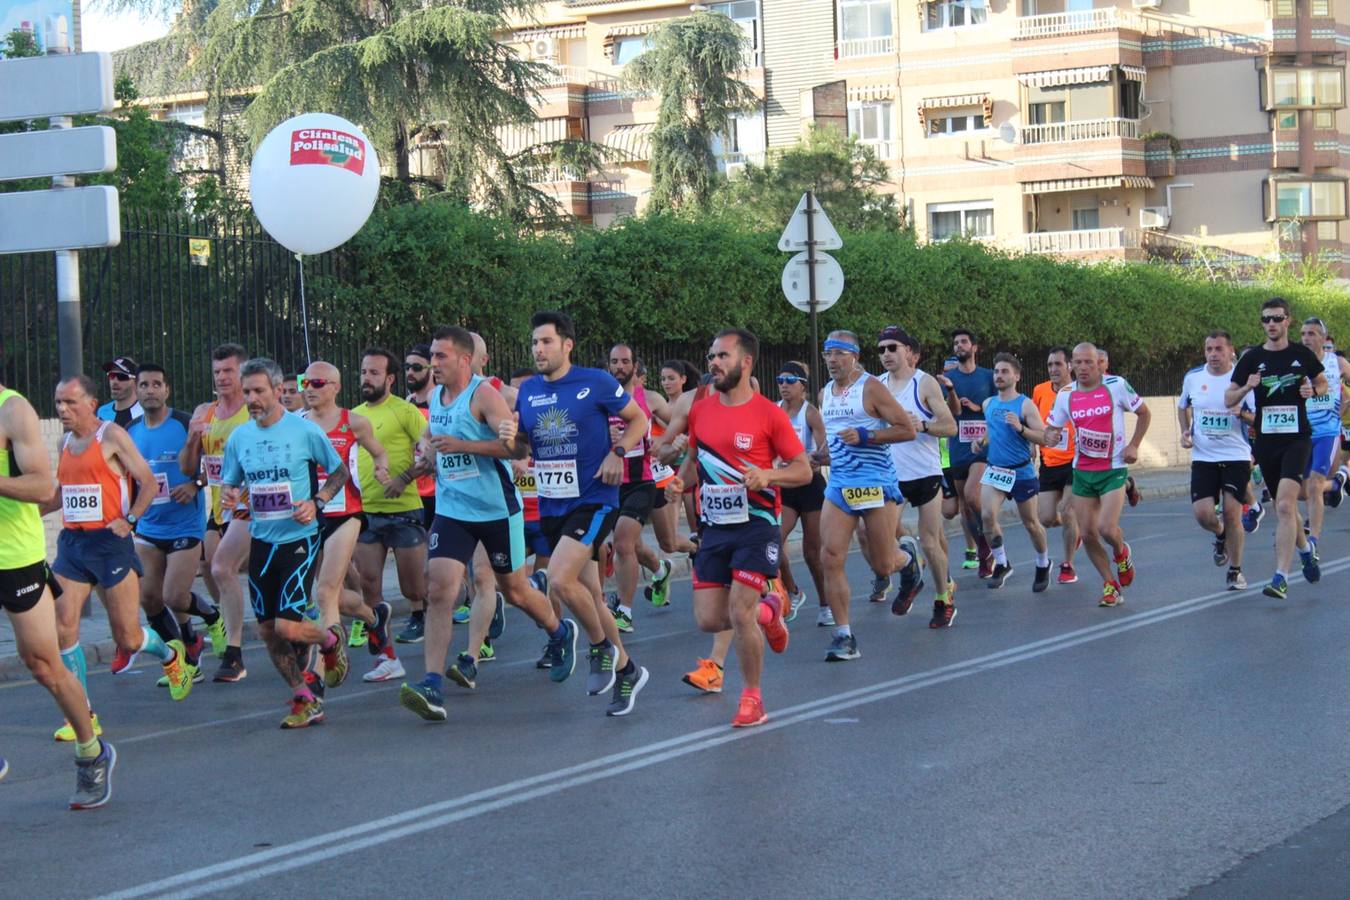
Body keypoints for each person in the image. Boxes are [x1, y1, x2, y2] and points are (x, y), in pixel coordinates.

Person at [398, 327, 577, 720]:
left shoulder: (484, 395)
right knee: (440, 587)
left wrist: (464, 446)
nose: (433, 363)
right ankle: (431, 683)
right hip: (453, 511)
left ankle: (560, 632)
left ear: (464, 359)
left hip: (497, 510)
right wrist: (414, 466)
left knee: (513, 590)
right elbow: (431, 441)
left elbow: (515, 447)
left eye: (441, 356)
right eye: (432, 355)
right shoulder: (435, 397)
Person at [505, 311, 650, 716]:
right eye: (534, 342)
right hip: (553, 503)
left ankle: (601, 648)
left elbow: (637, 419)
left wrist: (616, 453)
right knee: (589, 596)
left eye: (546, 342)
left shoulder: (596, 382)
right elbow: (522, 448)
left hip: (594, 497)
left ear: (567, 345)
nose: (538, 349)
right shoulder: (529, 391)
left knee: (559, 579)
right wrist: (512, 442)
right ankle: (628, 670)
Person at [666, 328, 811, 727]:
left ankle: (752, 698)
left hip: (757, 525)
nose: (714, 362)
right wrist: (681, 481)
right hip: (714, 527)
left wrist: (768, 475)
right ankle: (771, 609)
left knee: (739, 611)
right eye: (712, 356)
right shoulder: (701, 410)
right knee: (709, 620)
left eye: (723, 356)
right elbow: (694, 460)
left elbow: (802, 470)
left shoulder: (769, 413)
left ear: (745, 362)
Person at [49, 374, 192, 745]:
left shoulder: (110, 436)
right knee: (63, 627)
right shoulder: (65, 441)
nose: (62, 409)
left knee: (127, 637)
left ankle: (169, 655)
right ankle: (84, 715)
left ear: (91, 403)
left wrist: (129, 521)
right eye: (58, 402)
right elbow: (62, 493)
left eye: (70, 402)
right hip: (73, 546)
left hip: (110, 544)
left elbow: (147, 481)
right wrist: (24, 512)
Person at [0, 380, 115, 808]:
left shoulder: (13, 410)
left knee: (44, 666)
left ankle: (91, 751)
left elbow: (41, 487)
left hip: (15, 557)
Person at [219, 357, 351, 728]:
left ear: (278, 391)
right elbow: (232, 482)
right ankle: (304, 697)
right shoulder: (240, 437)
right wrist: (231, 495)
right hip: (262, 540)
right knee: (265, 630)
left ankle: (328, 640)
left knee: (287, 628)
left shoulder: (304, 431)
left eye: (259, 391)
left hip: (300, 538)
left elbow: (339, 472)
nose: (252, 399)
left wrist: (317, 502)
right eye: (247, 392)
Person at [300, 361, 404, 684]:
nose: (309, 389)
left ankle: (320, 671)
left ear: (335, 387)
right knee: (331, 596)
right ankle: (373, 618)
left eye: (317, 383)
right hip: (309, 516)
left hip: (346, 513)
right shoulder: (297, 424)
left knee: (325, 591)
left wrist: (381, 468)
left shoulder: (354, 422)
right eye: (305, 382)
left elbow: (379, 452)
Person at [818, 329, 920, 655]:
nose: (832, 360)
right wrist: (818, 455)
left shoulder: (871, 387)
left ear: (854, 356)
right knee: (830, 556)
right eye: (827, 353)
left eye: (839, 353)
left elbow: (905, 429)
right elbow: (832, 439)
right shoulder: (825, 393)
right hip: (839, 484)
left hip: (875, 483)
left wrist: (866, 436)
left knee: (883, 564)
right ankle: (844, 636)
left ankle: (907, 561)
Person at [127, 364, 221, 688]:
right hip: (149, 525)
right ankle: (182, 658)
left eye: (157, 384)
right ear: (137, 392)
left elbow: (216, 467)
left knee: (174, 596)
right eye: (144, 385)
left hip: (185, 525)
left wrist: (195, 484)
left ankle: (211, 616)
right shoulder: (129, 431)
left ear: (167, 390)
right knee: (149, 599)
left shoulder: (183, 423)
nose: (150, 390)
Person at [1226, 298, 1327, 599]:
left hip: (1297, 438)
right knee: (1285, 508)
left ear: (1288, 321)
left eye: (1277, 318)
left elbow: (1322, 383)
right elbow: (1229, 398)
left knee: (1284, 504)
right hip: (1267, 440)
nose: (1271, 323)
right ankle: (1306, 550)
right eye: (1266, 319)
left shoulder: (1300, 354)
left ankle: (1281, 577)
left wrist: (1313, 389)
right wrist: (1247, 387)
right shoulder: (1251, 358)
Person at [1043, 343, 1151, 608]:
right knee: (1089, 533)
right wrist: (1051, 435)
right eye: (1077, 363)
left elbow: (1144, 413)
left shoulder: (1116, 386)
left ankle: (1121, 552)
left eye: (1087, 362)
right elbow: (1052, 428)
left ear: (1098, 363)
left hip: (1113, 468)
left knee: (1105, 528)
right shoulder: (1066, 394)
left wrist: (1134, 445)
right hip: (1083, 470)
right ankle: (1109, 584)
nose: (1081, 368)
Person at [180, 343, 252, 683]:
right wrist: (194, 439)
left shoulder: (252, 412)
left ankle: (234, 655)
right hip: (219, 508)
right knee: (210, 566)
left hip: (251, 507)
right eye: (217, 372)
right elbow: (188, 467)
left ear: (242, 372)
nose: (222, 377)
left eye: (229, 371)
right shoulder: (205, 412)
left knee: (224, 567)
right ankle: (229, 622)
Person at [352, 347, 430, 653]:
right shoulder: (355, 415)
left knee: (414, 588)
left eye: (374, 373)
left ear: (390, 378)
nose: (366, 378)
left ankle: (442, 601)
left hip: (404, 511)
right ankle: (380, 641)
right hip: (367, 511)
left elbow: (430, 452)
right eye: (363, 372)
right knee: (369, 581)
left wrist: (403, 479)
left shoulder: (405, 411)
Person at [876, 328, 958, 615]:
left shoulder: (924, 384)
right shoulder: (876, 386)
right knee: (882, 543)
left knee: (930, 541)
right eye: (882, 349)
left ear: (909, 352)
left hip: (926, 475)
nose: (886, 353)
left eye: (892, 348)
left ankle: (943, 598)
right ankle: (912, 570)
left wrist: (921, 426)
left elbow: (950, 426)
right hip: (891, 477)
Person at [1178, 331, 1255, 591]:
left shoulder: (1242, 380)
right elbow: (1183, 406)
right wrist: (1185, 432)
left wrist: (1243, 414)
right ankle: (1220, 534)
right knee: (1203, 515)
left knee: (1233, 514)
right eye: (1209, 349)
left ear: (1230, 351)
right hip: (1203, 456)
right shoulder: (1193, 378)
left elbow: (1257, 417)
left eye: (1218, 349)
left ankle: (1235, 571)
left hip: (1235, 456)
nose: (1213, 354)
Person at [605, 343, 672, 634]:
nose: (619, 366)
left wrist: (667, 442)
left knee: (622, 543)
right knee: (633, 546)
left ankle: (625, 611)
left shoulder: (651, 398)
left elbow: (681, 425)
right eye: (614, 362)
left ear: (634, 365)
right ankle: (660, 570)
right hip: (610, 483)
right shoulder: (601, 398)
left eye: (624, 361)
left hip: (642, 482)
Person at [969, 354, 1051, 591]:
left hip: (1021, 472)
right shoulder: (988, 404)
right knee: (986, 515)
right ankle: (1002, 563)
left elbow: (1043, 436)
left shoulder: (1025, 405)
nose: (999, 375)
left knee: (1031, 523)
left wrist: (1021, 427)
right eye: (996, 371)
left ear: (1016, 376)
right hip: (995, 471)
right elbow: (991, 431)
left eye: (1005, 371)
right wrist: (981, 442)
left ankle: (1043, 563)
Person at [774, 361, 829, 627]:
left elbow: (826, 452)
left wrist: (814, 458)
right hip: (784, 487)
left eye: (789, 380)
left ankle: (826, 604)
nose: (784, 385)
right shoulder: (773, 411)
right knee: (773, 542)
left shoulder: (810, 414)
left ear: (802, 386)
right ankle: (794, 591)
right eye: (780, 380)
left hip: (810, 487)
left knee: (812, 553)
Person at [936, 329, 995, 578]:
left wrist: (980, 406)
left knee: (972, 495)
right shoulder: (948, 381)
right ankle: (986, 546)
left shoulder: (989, 376)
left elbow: (999, 406)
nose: (959, 346)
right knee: (966, 508)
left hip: (983, 446)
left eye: (963, 342)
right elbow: (948, 413)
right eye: (955, 343)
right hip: (958, 448)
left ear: (974, 347)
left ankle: (986, 545)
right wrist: (950, 393)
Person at [1298, 317, 1349, 547]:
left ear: (1323, 337)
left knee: (1315, 483)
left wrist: (1345, 405)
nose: (1306, 338)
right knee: (1302, 492)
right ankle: (1338, 482)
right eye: (1303, 334)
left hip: (1327, 433)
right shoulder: (1295, 362)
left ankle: (1313, 540)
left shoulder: (1336, 363)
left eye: (1312, 333)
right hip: (1301, 433)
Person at [1032, 348, 1081, 585]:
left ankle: (1068, 565)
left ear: (1069, 366)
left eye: (1058, 364)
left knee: (1067, 510)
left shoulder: (1078, 391)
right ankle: (1075, 532)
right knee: (1046, 518)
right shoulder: (1040, 391)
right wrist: (1033, 444)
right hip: (1049, 462)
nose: (1053, 369)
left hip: (1075, 461)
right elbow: (1035, 421)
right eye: (1050, 365)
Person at [398, 343, 436, 643]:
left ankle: (469, 602)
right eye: (407, 367)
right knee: (414, 557)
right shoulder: (404, 404)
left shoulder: (440, 401)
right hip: (412, 492)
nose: (410, 372)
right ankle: (418, 615)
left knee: (440, 559)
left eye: (417, 367)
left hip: (440, 491)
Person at [97, 356, 144, 427]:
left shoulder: (145, 413)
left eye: (122, 376)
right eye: (111, 375)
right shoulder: (102, 412)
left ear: (136, 381)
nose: (114, 381)